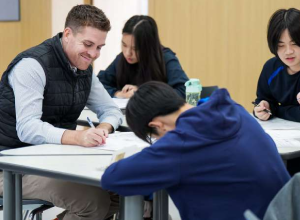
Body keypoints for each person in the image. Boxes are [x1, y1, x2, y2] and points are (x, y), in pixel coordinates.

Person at [0, 5, 123, 220]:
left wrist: (104, 128)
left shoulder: (82, 69)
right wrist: (78, 137)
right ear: (67, 34)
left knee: (121, 192)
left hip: (49, 162)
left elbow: (110, 109)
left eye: (99, 47)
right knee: (93, 202)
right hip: (9, 168)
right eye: (88, 44)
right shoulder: (32, 66)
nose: (94, 54)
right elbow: (27, 129)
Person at [101, 81, 290, 220]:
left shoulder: (182, 144)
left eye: (154, 137)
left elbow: (113, 177)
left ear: (157, 125)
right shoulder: (234, 109)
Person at [97, 15, 189, 99]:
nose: (128, 53)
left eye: (135, 48)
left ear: (149, 46)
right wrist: (118, 94)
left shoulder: (165, 58)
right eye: (124, 45)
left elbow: (183, 91)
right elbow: (98, 85)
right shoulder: (122, 58)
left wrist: (144, 93)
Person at [254, 8, 300, 122]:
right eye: (281, 45)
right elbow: (262, 100)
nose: (288, 51)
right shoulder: (271, 68)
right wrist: (263, 108)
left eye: (294, 43)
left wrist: (278, 110)